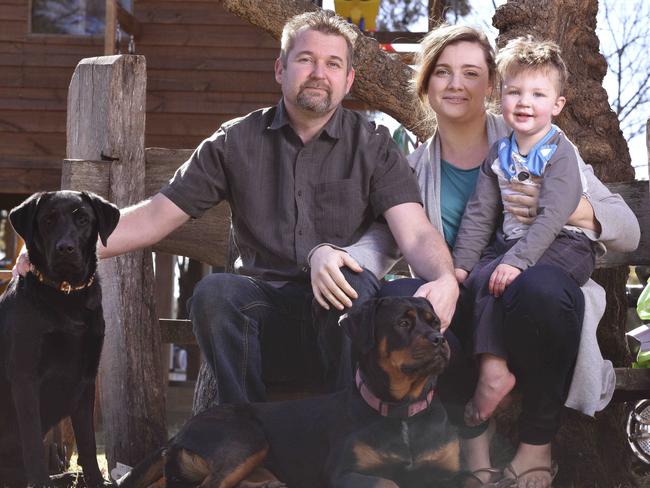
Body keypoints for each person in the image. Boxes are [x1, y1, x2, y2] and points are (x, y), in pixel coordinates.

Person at [14, 11, 458, 405]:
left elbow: (415, 233)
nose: (318, 73)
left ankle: (341, 429)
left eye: (333, 64)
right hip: (262, 308)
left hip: (338, 313)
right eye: (305, 60)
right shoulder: (236, 141)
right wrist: (44, 254)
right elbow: (154, 217)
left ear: (348, 80)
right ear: (281, 69)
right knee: (215, 292)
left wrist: (443, 278)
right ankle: (243, 432)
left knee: (354, 288)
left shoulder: (373, 145)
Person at [340, 25, 639, 488]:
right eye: (443, 72)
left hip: (536, 309)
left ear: (489, 86)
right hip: (468, 296)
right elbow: (385, 237)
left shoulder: (538, 139)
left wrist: (572, 208)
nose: (456, 84)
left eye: (470, 73)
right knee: (409, 298)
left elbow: (628, 228)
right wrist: (336, 258)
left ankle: (536, 443)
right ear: (426, 84)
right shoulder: (417, 167)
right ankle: (471, 439)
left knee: (539, 286)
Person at [454, 37, 599, 429]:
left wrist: (517, 262)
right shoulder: (499, 152)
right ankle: (493, 367)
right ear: (499, 97)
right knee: (483, 280)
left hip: (565, 242)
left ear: (557, 105)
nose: (524, 102)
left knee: (512, 278)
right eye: (514, 91)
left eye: (538, 94)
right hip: (514, 243)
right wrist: (463, 266)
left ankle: (516, 386)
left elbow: (554, 216)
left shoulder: (560, 152)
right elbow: (480, 213)